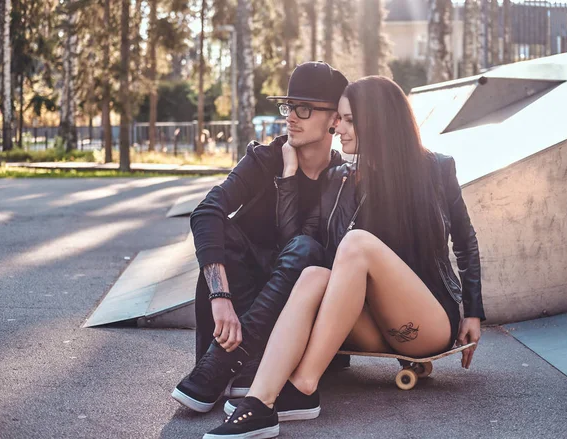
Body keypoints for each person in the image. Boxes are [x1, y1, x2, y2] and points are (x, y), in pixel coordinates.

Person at [202, 76, 486, 439]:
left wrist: (473, 310)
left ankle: (303, 383)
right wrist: (288, 177)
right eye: (340, 119)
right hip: (368, 323)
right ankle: (259, 403)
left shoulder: (436, 169)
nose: (339, 128)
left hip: (426, 322)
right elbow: (299, 245)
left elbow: (465, 240)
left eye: (349, 120)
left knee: (356, 244)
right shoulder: (340, 177)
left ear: (378, 120)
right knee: (313, 275)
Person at [171, 62, 349, 413]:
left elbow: (301, 253)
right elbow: (206, 211)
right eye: (288, 106)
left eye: (304, 108)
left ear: (334, 121)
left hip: (289, 316)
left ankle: (224, 364)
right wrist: (219, 296)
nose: (291, 118)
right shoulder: (263, 158)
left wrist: (289, 181)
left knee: (306, 248)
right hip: (236, 306)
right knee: (224, 228)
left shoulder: (340, 179)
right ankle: (234, 364)